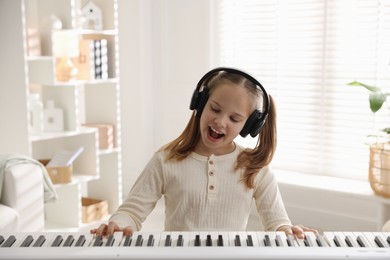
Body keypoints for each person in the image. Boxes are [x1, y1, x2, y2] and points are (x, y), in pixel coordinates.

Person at [91, 67, 317, 239]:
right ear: (200, 103)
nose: (220, 121)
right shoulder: (166, 159)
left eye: (234, 119)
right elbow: (132, 211)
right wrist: (118, 223)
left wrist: (289, 231)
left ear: (249, 126)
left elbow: (277, 223)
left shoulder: (255, 168)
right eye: (215, 109)